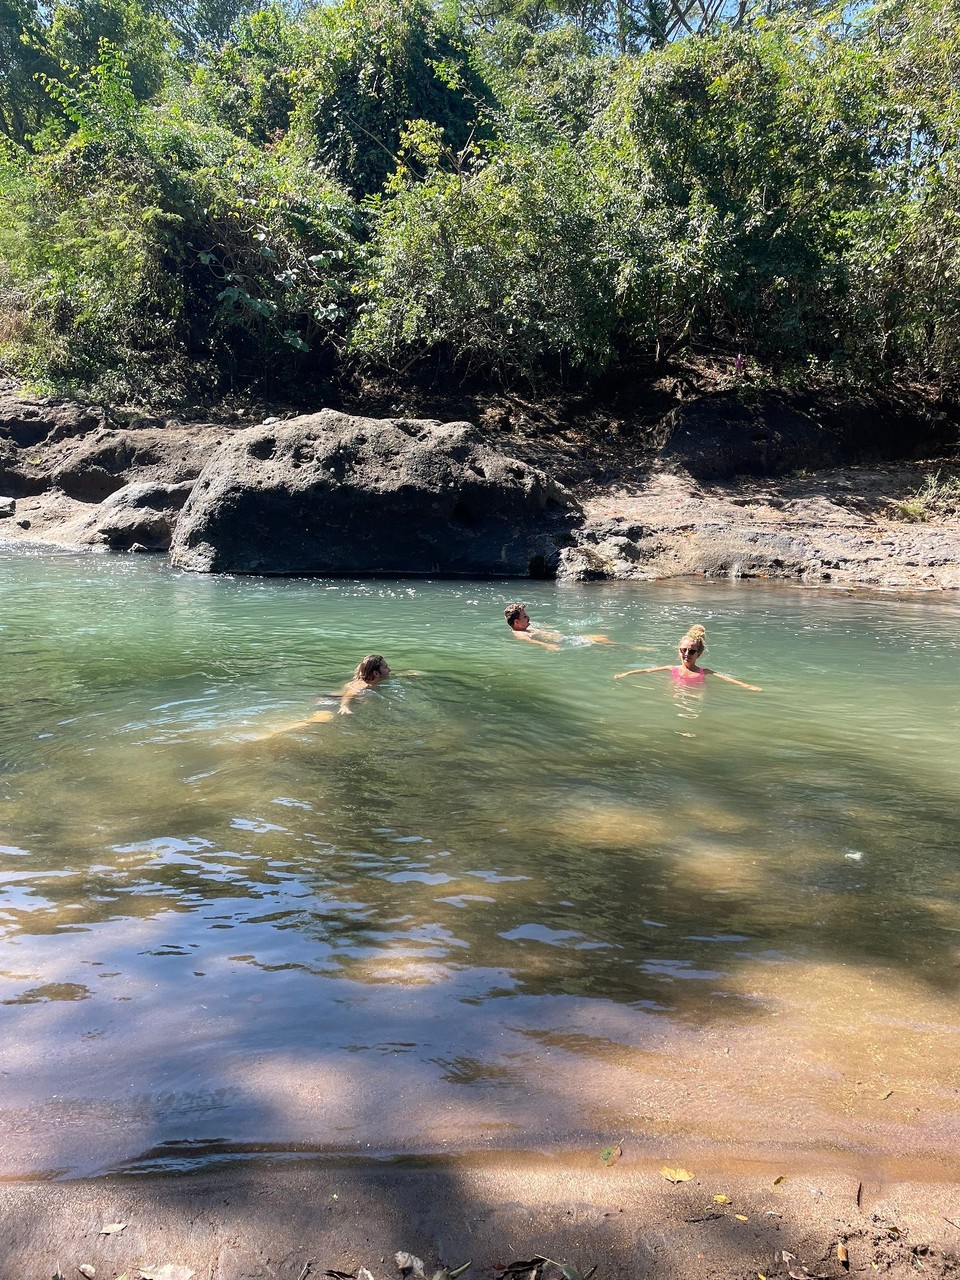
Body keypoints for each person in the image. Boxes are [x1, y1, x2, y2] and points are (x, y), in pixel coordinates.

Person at [614, 624, 762, 691]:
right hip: (675, 699)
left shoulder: (704, 672)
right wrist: (626, 673)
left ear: (699, 654)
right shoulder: (672, 668)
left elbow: (729, 680)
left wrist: (749, 686)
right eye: (683, 650)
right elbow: (646, 671)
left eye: (691, 651)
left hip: (696, 699)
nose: (686, 654)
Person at [504, 603, 611, 650]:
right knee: (601, 639)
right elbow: (531, 641)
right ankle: (623, 647)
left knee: (602, 638)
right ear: (517, 622)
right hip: (564, 641)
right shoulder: (519, 633)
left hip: (564, 638)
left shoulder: (526, 628)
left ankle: (621, 646)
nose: (528, 617)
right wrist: (547, 645)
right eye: (524, 616)